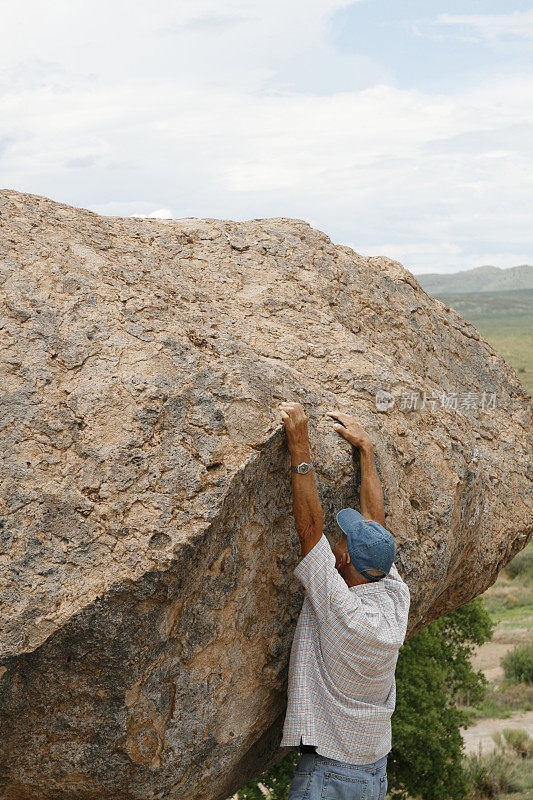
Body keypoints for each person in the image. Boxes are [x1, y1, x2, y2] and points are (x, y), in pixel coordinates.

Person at [278, 401, 411, 800]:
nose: (337, 540)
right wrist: (365, 451)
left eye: (343, 539)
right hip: (372, 774)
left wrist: (300, 448)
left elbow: (309, 531)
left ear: (346, 557)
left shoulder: (341, 608)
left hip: (328, 776)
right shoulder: (393, 595)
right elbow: (376, 529)